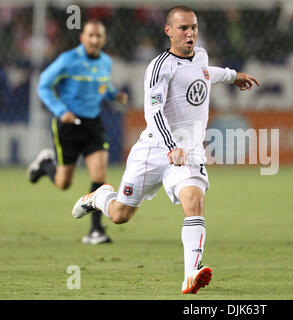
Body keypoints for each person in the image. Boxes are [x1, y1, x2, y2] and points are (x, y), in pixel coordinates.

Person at [71, 6, 259, 294]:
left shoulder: (203, 56)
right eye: (183, 28)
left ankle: (190, 275)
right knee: (120, 215)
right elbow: (153, 111)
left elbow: (207, 73)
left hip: (190, 152)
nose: (190, 33)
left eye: (194, 27)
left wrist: (235, 76)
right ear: (168, 31)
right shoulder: (160, 67)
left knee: (194, 203)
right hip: (155, 148)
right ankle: (99, 197)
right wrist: (171, 146)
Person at [27, 20, 128, 244]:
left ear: (103, 39)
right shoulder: (68, 60)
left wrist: (114, 95)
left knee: (99, 175)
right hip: (68, 126)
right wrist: (61, 111)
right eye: (91, 35)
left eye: (99, 36)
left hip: (93, 124)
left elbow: (103, 86)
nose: (95, 40)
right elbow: (43, 84)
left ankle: (95, 231)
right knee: (64, 183)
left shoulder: (105, 62)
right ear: (82, 37)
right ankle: (45, 164)